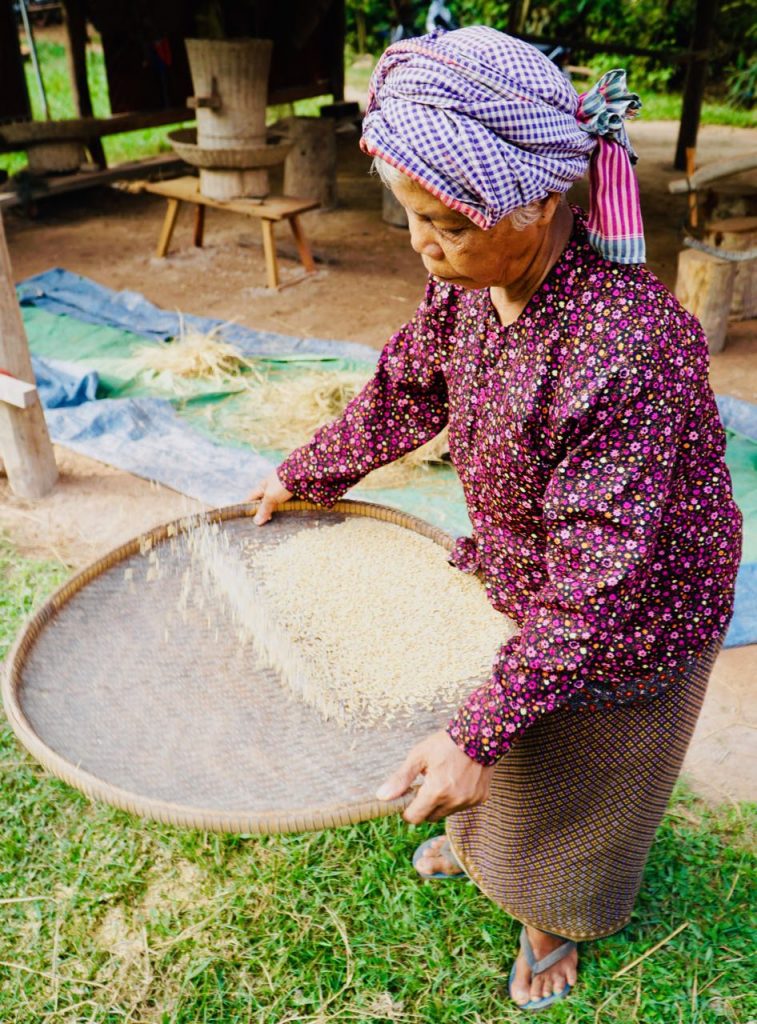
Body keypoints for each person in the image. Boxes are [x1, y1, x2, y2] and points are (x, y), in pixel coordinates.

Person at [249, 26, 741, 1012]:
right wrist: (310, 472)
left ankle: (552, 913)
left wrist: (475, 734)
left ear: (542, 203)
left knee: (579, 776)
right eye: (411, 221)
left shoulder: (625, 350)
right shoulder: (474, 283)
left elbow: (598, 585)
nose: (425, 246)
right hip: (532, 574)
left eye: (446, 223)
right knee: (507, 733)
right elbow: (407, 385)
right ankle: (485, 848)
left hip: (638, 614)